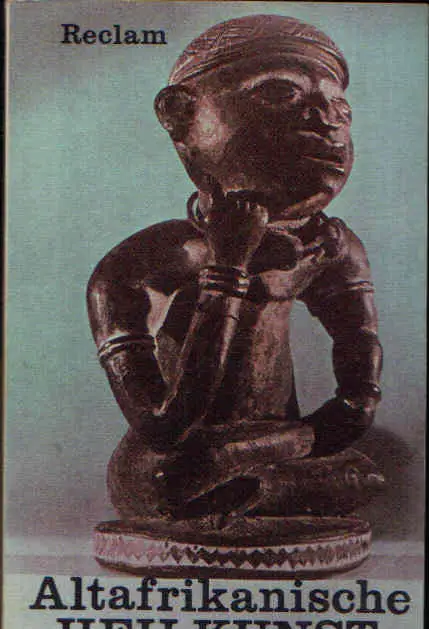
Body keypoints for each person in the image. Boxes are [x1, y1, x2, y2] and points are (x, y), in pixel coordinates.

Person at [87, 15, 383, 526]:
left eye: (341, 108)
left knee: (365, 475)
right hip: (175, 461)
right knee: (164, 480)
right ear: (181, 115)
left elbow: (357, 405)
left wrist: (277, 443)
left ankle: (255, 491)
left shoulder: (331, 247)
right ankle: (260, 490)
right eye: (280, 94)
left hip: (273, 446)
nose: (326, 120)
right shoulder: (143, 264)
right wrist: (229, 264)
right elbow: (163, 428)